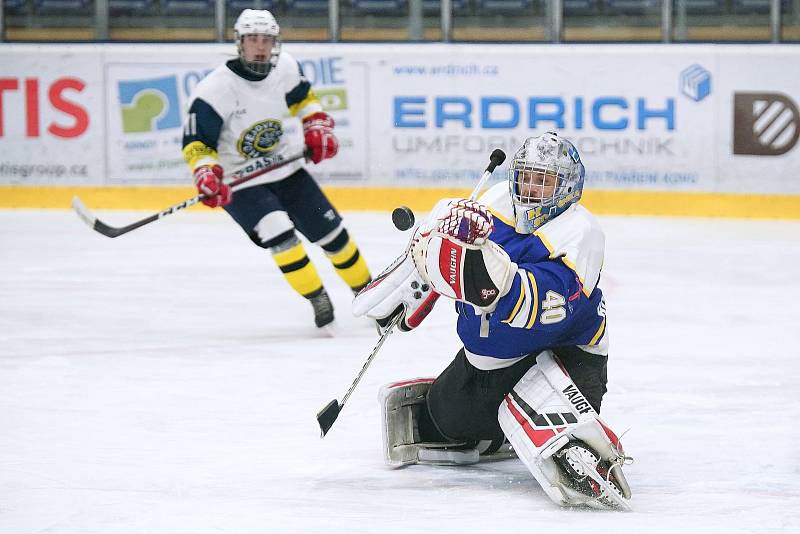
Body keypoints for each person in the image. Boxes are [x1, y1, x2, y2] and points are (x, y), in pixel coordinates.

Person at [353, 132, 633, 510]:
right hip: (496, 355)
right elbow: (461, 259)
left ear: (567, 187)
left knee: (567, 431)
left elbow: (550, 307)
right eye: (527, 177)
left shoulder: (581, 232)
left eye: (544, 181)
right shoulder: (496, 200)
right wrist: (432, 262)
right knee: (446, 418)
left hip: (565, 354)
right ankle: (501, 431)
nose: (532, 189)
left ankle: (555, 428)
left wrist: (492, 278)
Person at [181, 9, 371, 328]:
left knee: (334, 236)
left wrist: (317, 126)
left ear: (275, 43)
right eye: (253, 39)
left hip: (286, 170)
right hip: (240, 183)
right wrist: (206, 173)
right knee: (278, 232)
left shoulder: (285, 67)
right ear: (239, 43)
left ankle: (370, 294)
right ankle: (317, 297)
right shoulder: (214, 90)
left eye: (266, 40)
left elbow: (304, 100)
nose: (260, 46)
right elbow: (197, 143)